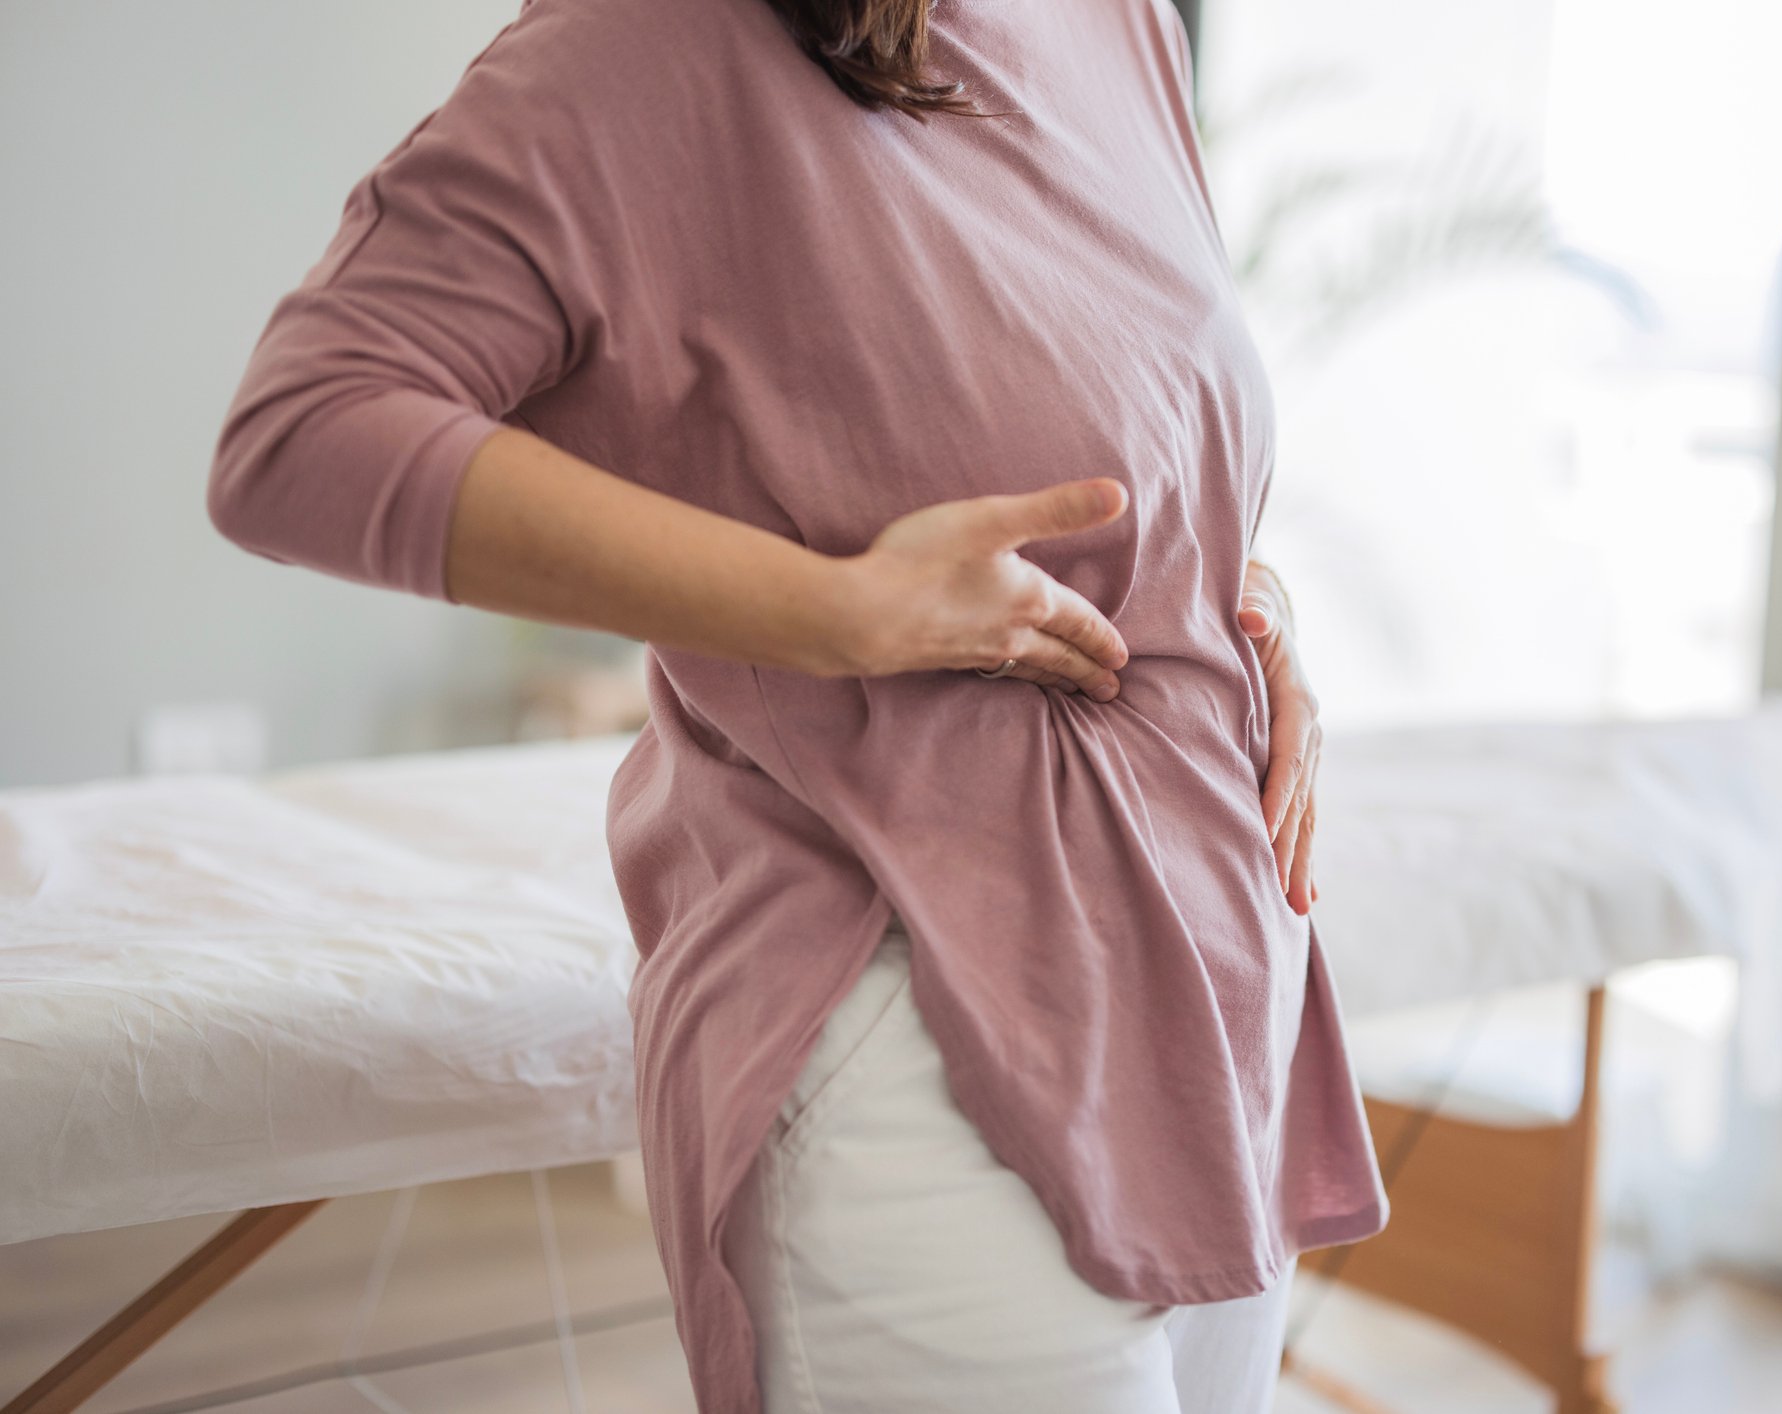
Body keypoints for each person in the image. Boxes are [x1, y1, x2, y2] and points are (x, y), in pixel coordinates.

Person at [206, 0, 1388, 1407]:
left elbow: (1134, 412)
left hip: (1208, 999)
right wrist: (827, 613)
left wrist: (1254, 612)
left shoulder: (1116, 18)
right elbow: (304, 430)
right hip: (926, 1016)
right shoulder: (645, 41)